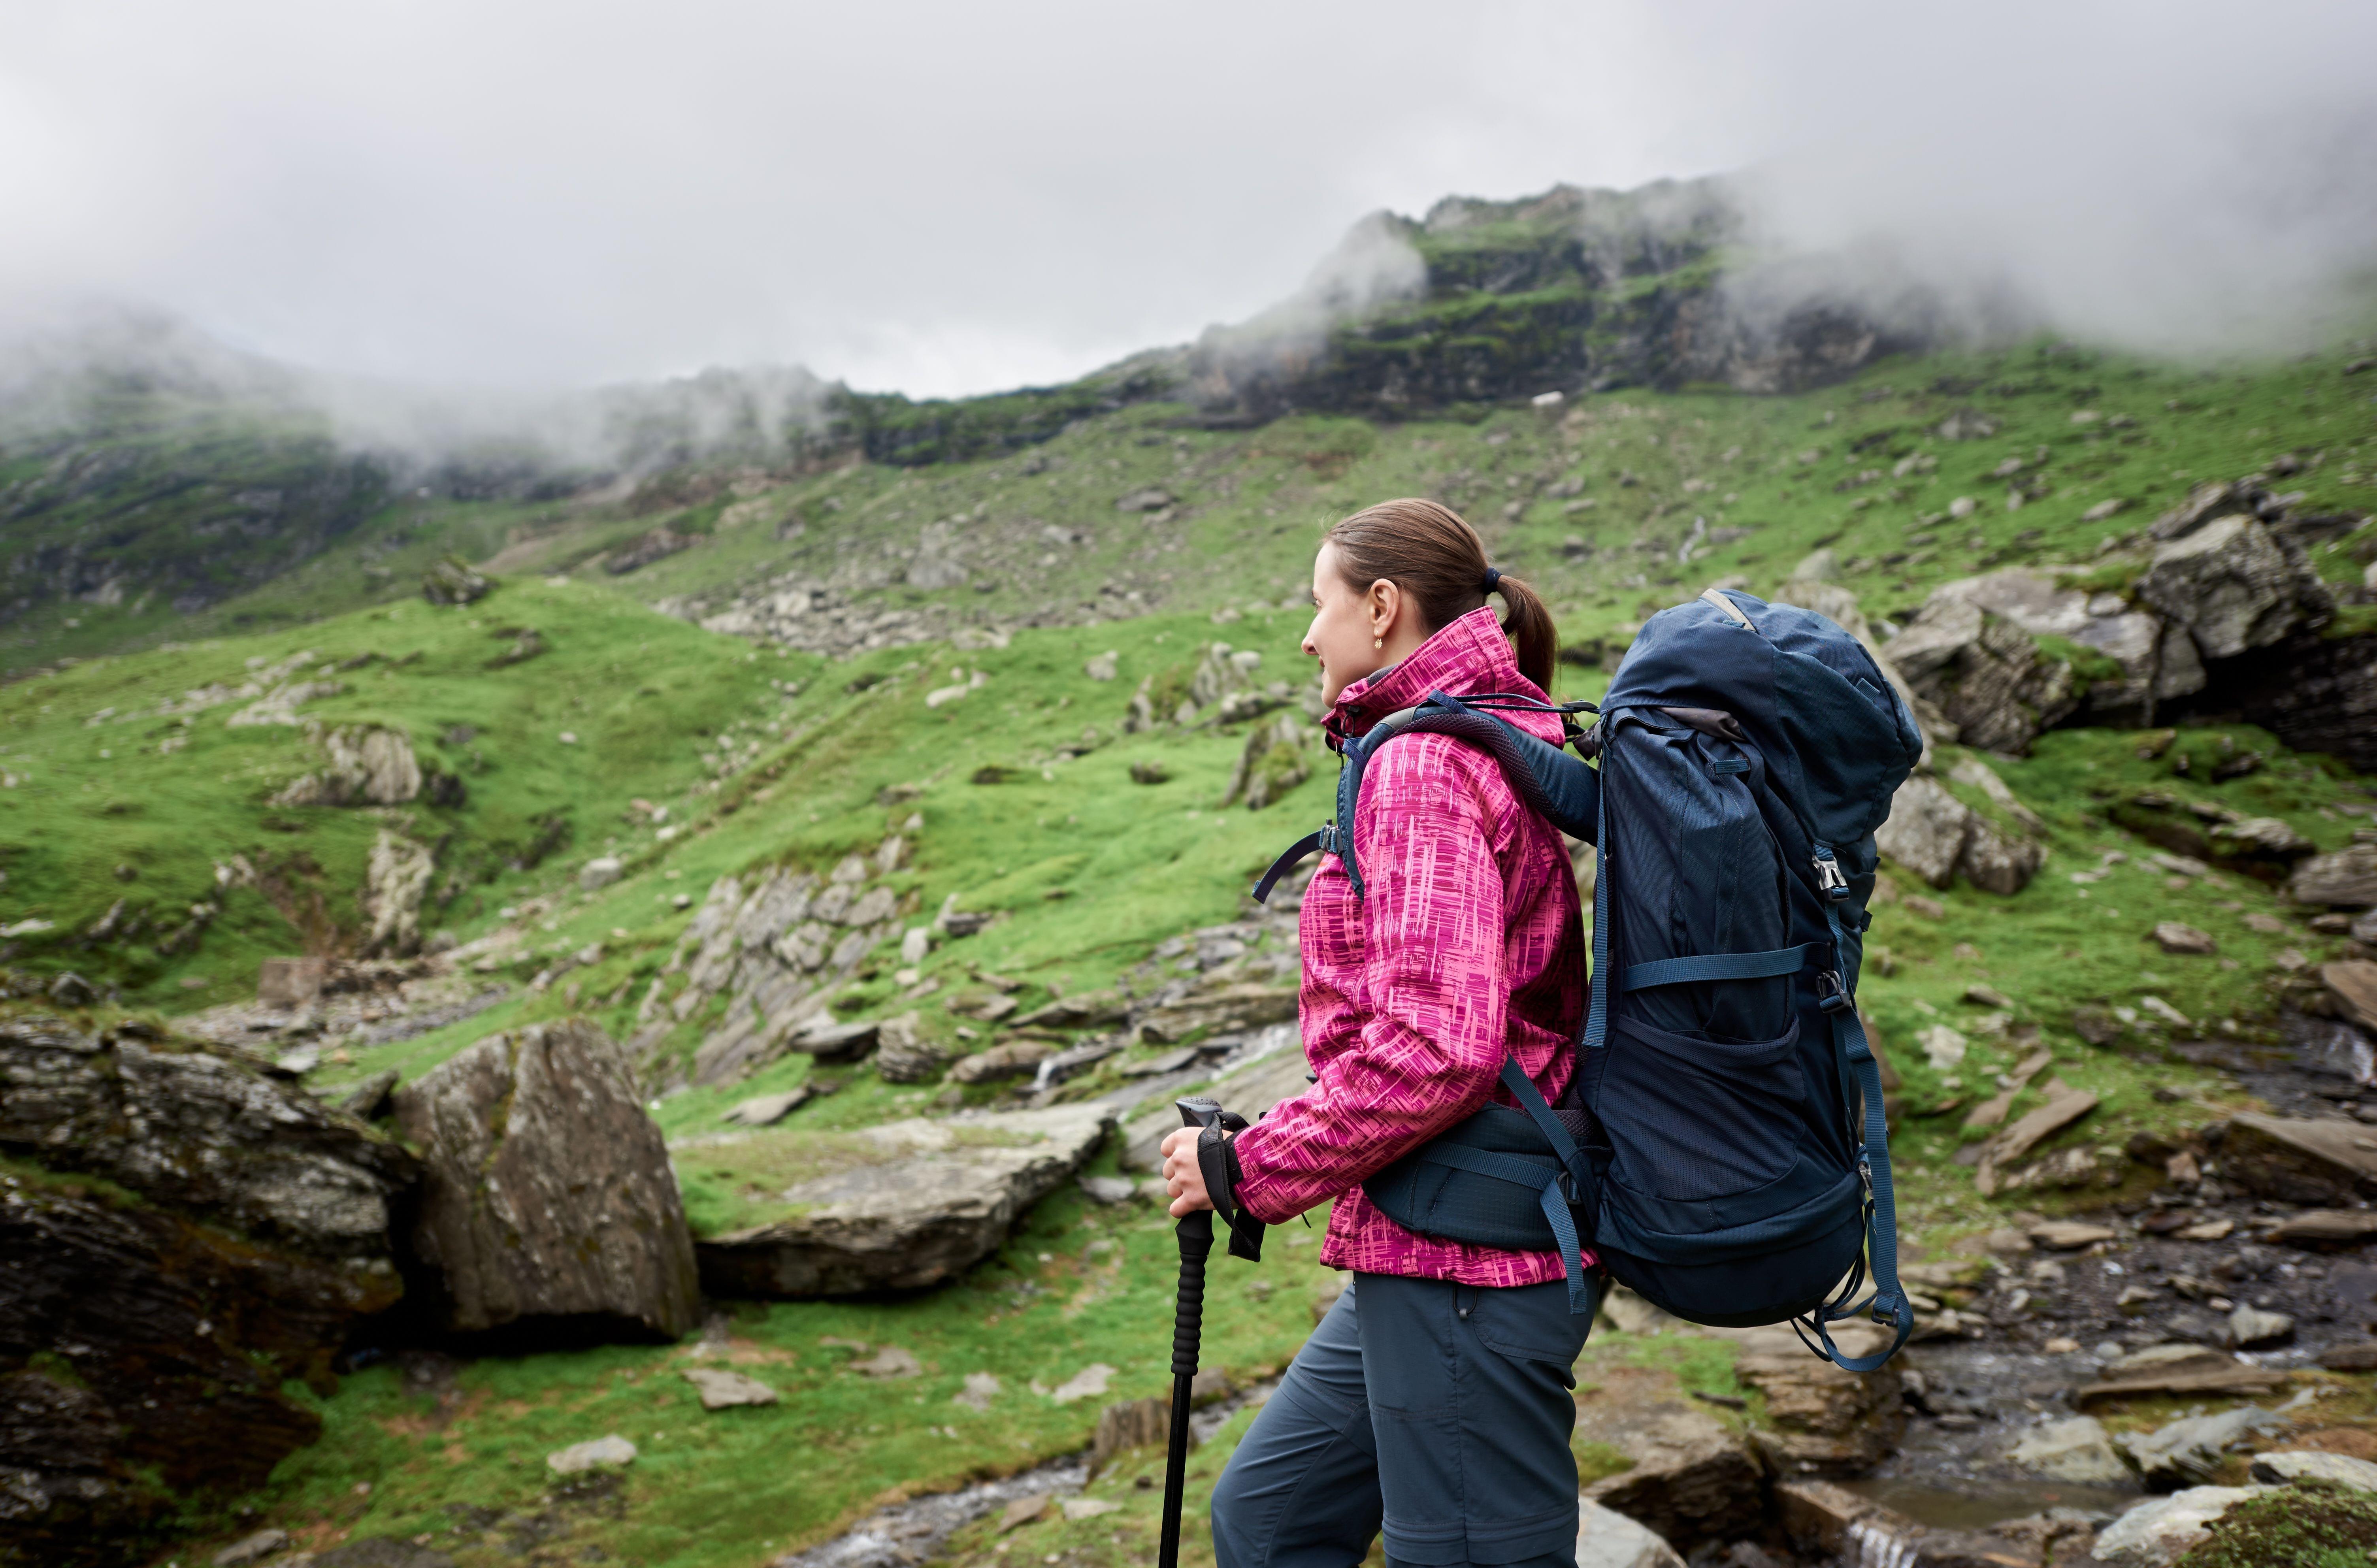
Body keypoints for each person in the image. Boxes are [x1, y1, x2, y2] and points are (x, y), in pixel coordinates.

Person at [1161, 498, 1595, 1568]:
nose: (1308, 635)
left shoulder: (1421, 765)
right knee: (1270, 1521)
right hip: (1432, 1235)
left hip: (1470, 1264)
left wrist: (1246, 1166)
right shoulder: (1487, 730)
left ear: (1385, 607)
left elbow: (1441, 1047)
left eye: (1322, 605)